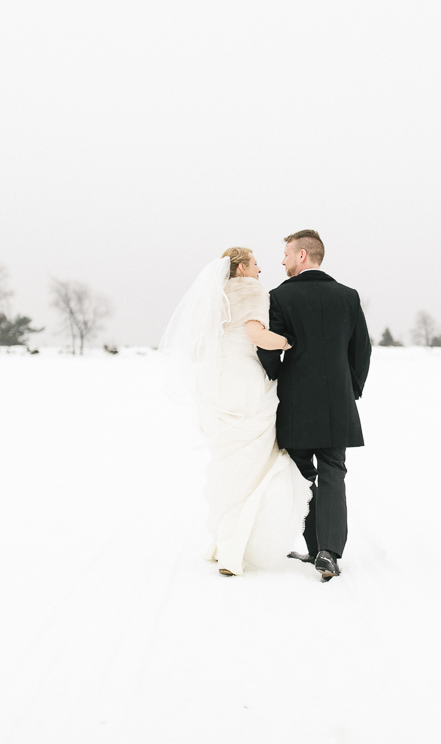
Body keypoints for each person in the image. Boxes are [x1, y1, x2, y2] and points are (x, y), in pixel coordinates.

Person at [159, 247, 311, 577]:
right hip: (245, 382)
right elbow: (256, 334)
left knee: (228, 460)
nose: (260, 271)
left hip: (216, 383)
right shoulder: (251, 290)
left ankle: (223, 541)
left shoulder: (216, 295)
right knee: (253, 464)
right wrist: (288, 343)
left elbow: (201, 344)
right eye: (255, 264)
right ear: (241, 268)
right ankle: (232, 549)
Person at [257, 230, 371, 581]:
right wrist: (349, 388)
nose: (282, 261)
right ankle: (329, 553)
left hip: (296, 402)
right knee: (334, 472)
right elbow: (362, 351)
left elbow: (268, 347)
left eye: (287, 254)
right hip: (337, 402)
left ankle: (315, 546)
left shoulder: (279, 296)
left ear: (303, 255)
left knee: (303, 475)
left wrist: (276, 376)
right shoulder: (348, 297)